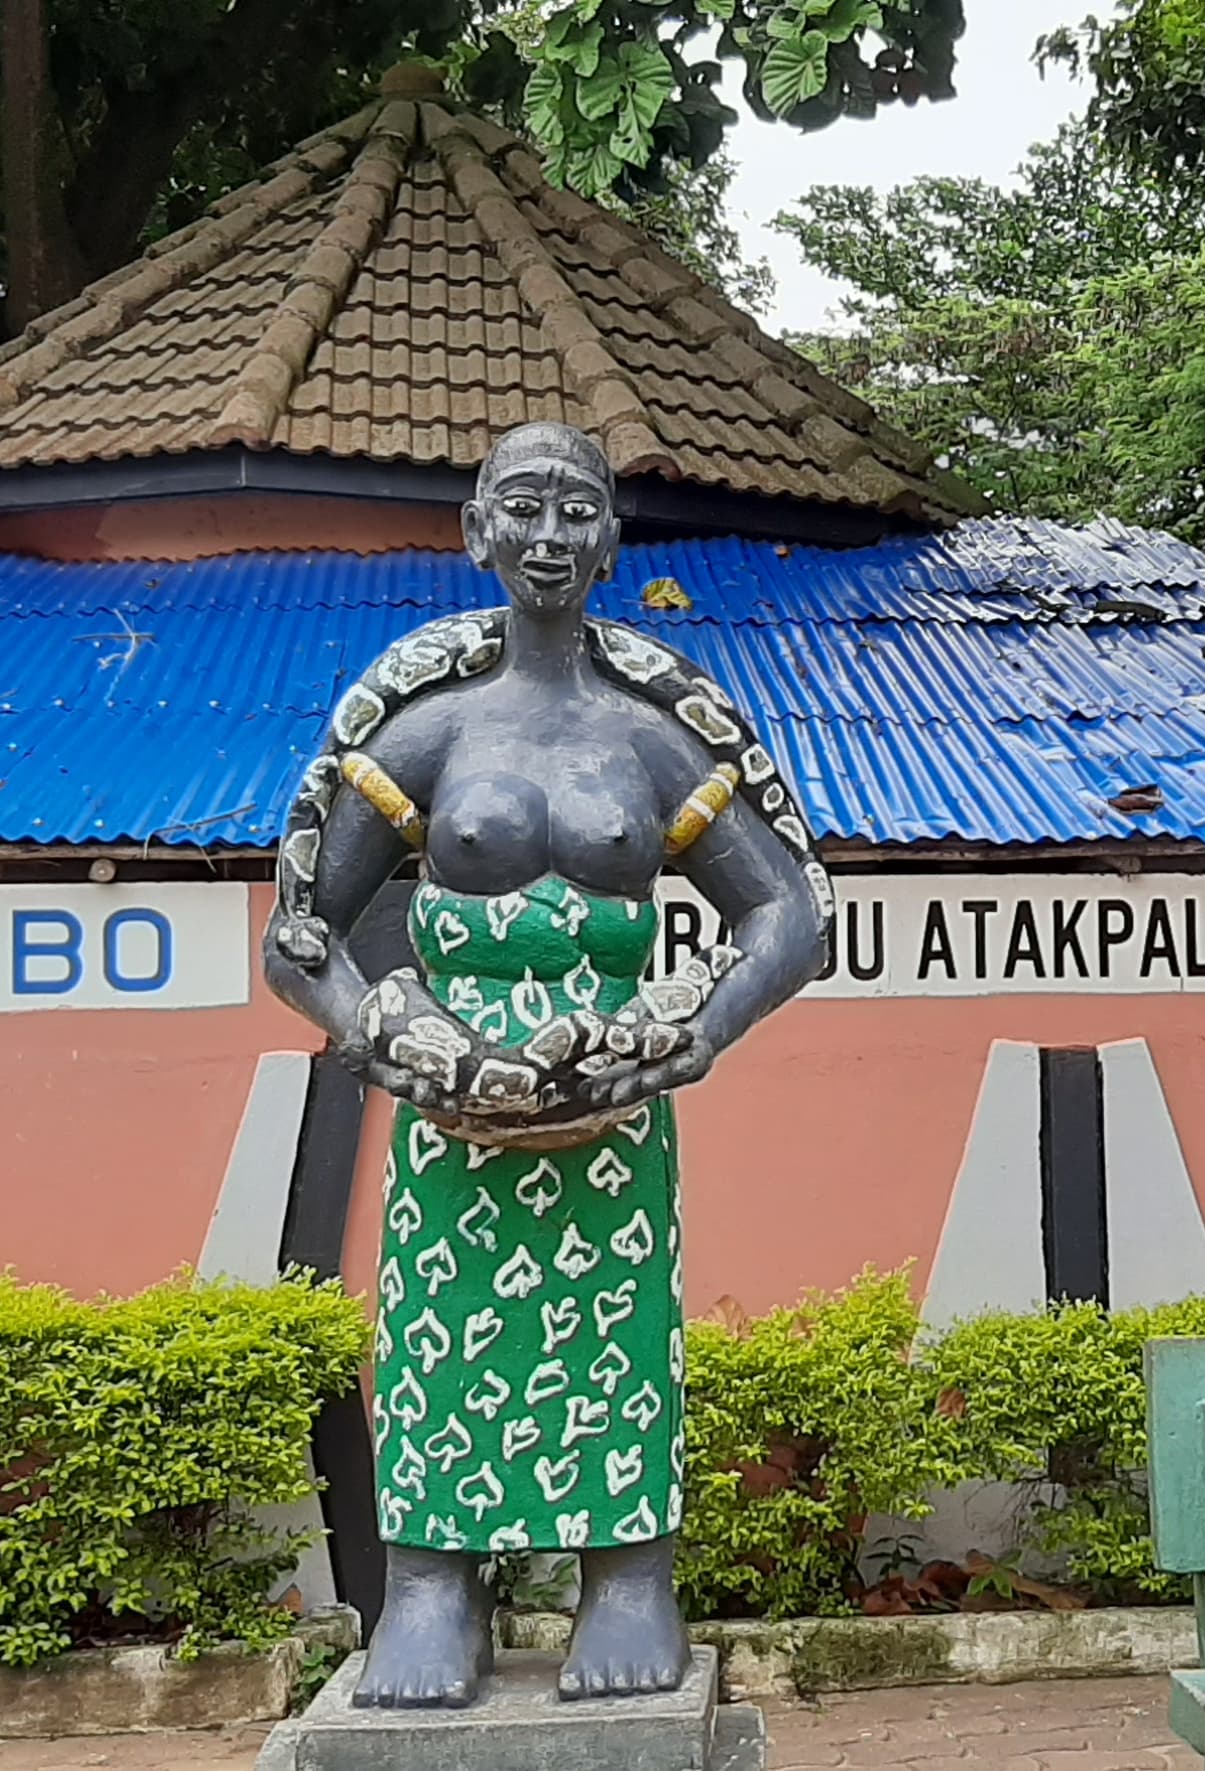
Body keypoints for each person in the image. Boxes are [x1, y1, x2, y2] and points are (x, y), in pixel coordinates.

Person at [263, 421, 833, 1706]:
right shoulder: (422, 731)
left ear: (615, 543)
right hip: (446, 1109)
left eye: (578, 511)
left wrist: (691, 1031)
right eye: (522, 508)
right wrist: (393, 1038)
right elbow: (300, 941)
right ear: (474, 533)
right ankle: (429, 1586)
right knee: (442, 1327)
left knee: (617, 1333)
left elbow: (788, 910)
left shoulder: (654, 738)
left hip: (617, 1105)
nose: (549, 536)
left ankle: (629, 1576)